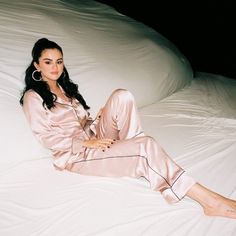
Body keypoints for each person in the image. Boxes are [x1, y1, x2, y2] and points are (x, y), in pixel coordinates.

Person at [20, 38, 236, 219]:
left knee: (122, 96)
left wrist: (96, 121)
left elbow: (81, 124)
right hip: (75, 155)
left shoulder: (65, 88)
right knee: (147, 145)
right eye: (48, 62)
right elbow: (45, 137)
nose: (55, 67)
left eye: (59, 61)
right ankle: (210, 201)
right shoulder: (33, 97)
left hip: (93, 138)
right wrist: (84, 142)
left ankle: (137, 155)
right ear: (37, 65)